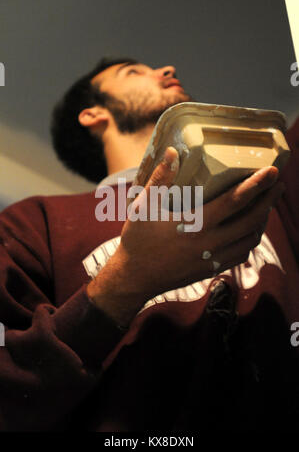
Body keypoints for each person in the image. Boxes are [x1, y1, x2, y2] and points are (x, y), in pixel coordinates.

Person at [0, 57, 298, 432]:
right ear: (93, 114)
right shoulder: (33, 222)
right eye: (134, 72)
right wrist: (129, 277)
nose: (168, 69)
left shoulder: (272, 195)